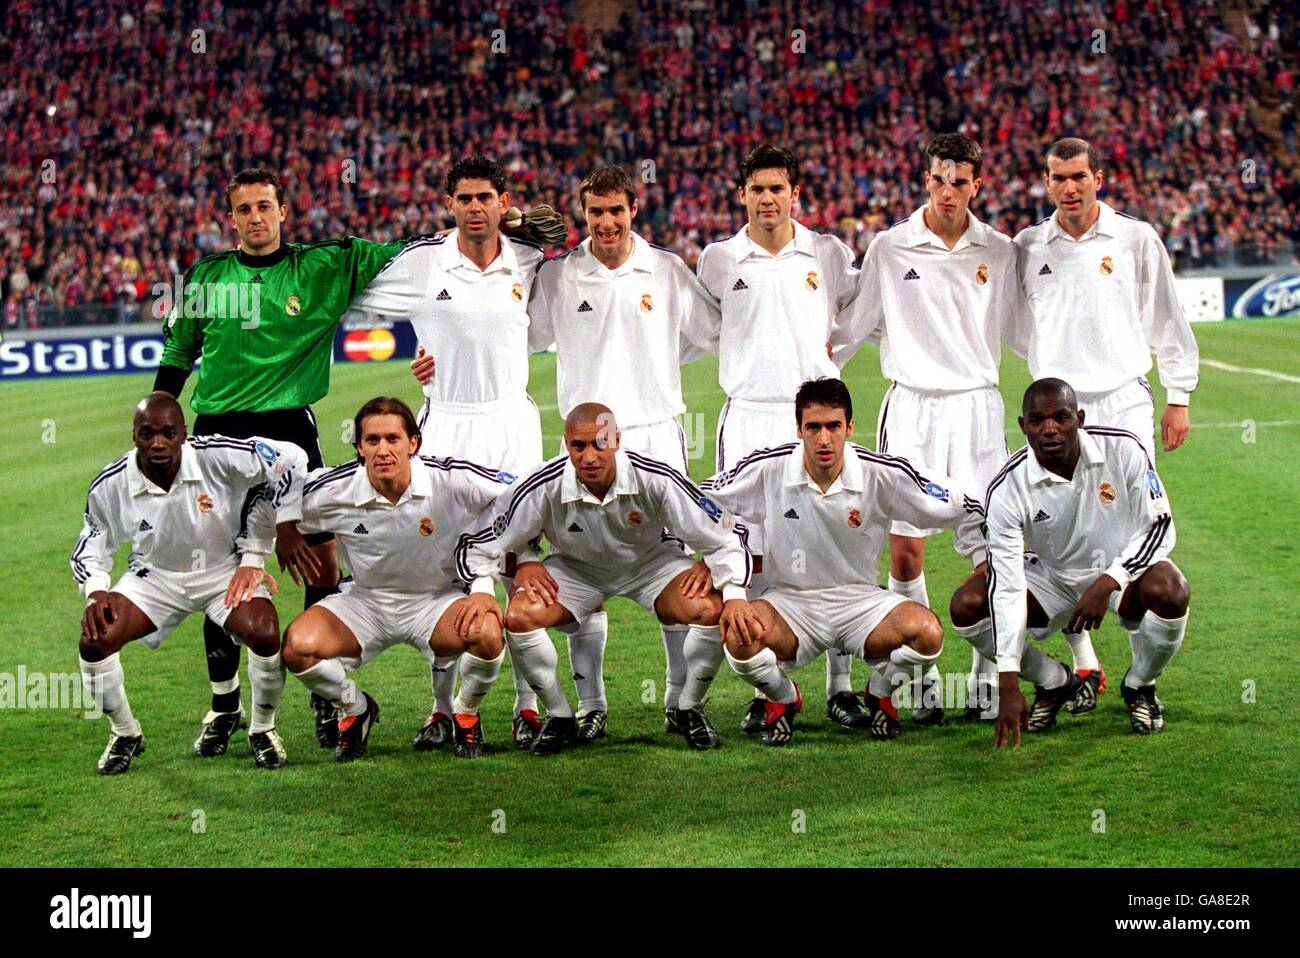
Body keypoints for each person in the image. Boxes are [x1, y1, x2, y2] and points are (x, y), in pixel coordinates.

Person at [152, 168, 412, 753]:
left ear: (283, 210)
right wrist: (160, 422)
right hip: (216, 435)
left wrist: (495, 227)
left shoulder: (321, 265)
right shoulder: (208, 276)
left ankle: (328, 695)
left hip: (291, 427)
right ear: (232, 217)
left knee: (319, 567)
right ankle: (223, 707)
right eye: (243, 209)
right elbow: (178, 350)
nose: (255, 217)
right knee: (215, 571)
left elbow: (408, 254)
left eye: (264, 206)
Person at [347, 155, 551, 751]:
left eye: (486, 197)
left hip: (513, 422)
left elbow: (559, 229)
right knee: (445, 564)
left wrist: (523, 223)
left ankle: (527, 704)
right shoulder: (422, 261)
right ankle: (443, 710)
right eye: (464, 198)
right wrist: (422, 354)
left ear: (501, 200)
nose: (475, 208)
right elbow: (357, 289)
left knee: (518, 565)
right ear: (448, 204)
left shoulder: (527, 256)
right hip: (449, 424)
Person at [520, 165, 721, 742]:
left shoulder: (666, 269)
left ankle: (682, 701)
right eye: (595, 212)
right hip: (585, 443)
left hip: (655, 434)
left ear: (635, 210)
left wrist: (653, 365)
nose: (606, 222)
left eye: (616, 211)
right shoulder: (559, 276)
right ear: (584, 214)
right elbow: (520, 337)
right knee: (586, 560)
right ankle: (591, 705)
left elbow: (710, 335)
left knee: (677, 575)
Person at [834, 133, 1023, 723]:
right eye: (940, 180)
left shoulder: (999, 249)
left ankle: (988, 671)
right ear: (926, 179)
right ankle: (920, 671)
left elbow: (1024, 331)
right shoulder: (891, 247)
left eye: (960, 181)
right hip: (912, 407)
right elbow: (853, 326)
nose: (948, 191)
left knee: (992, 545)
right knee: (907, 551)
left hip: (977, 409)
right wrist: (813, 381)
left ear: (977, 185)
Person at [1011, 138, 1200, 711]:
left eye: (1078, 176)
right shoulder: (1027, 246)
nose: (1069, 187)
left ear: (1099, 177)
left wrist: (1180, 395)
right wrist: (1049, 366)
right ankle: (1083, 660)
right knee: (1060, 531)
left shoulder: (1136, 238)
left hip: (1121, 401)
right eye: (1057, 178)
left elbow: (1167, 314)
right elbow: (1017, 324)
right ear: (1045, 183)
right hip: (1055, 412)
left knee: (1130, 520)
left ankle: (1141, 678)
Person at [455, 403, 761, 754]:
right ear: (566, 444)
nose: (589, 456)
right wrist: (508, 570)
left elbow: (722, 534)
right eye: (579, 446)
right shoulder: (544, 483)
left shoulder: (655, 476)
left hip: (650, 565)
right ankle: (560, 715)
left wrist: (732, 588)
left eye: (600, 443)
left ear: (617, 440)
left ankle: (689, 706)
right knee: (519, 616)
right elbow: (485, 540)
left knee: (709, 607)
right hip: (576, 569)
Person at [699, 378, 985, 745]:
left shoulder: (882, 474)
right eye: (813, 427)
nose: (824, 439)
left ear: (850, 427)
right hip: (791, 603)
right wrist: (724, 576)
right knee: (739, 638)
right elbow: (702, 501)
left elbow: (965, 505)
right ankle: (784, 698)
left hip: (861, 602)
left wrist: (981, 555)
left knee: (927, 635)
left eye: (834, 426)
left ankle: (880, 691)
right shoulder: (769, 469)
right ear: (798, 428)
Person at [694, 142, 866, 733]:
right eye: (757, 188)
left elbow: (856, 316)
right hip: (748, 417)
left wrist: (823, 362)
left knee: (833, 542)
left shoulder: (828, 252)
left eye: (778, 188)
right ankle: (773, 685)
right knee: (753, 549)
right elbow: (700, 330)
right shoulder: (718, 259)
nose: (768, 198)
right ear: (741, 195)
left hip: (814, 417)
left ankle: (841, 687)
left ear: (796, 193)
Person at [949, 379, 1190, 747]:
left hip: (1122, 577)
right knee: (969, 606)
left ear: (1079, 418)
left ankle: (1139, 685)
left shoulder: (1123, 449)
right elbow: (1008, 585)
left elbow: (1159, 527)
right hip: (1054, 580)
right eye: (1037, 420)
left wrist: (1110, 579)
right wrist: (1009, 680)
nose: (1050, 429)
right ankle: (1055, 681)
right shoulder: (1007, 487)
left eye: (1061, 417)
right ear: (1022, 426)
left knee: (1171, 590)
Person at [273, 397, 516, 761]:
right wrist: (283, 528)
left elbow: (518, 497)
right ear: (358, 446)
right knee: (297, 647)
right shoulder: (334, 489)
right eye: (372, 440)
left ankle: (464, 711)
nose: (383, 450)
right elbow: (270, 500)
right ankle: (355, 708)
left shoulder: (450, 478)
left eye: (393, 438)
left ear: (413, 442)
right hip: (366, 602)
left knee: (487, 633)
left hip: (436, 601)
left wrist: (485, 584)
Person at [73, 394, 304, 774]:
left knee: (264, 631)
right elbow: (93, 542)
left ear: (184, 434)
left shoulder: (216, 455)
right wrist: (96, 591)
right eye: (147, 434)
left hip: (222, 571)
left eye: (168, 433)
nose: (158, 443)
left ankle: (263, 728)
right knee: (95, 640)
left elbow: (291, 459)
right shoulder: (111, 484)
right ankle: (125, 733)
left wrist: (257, 552)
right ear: (134, 436)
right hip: (154, 578)